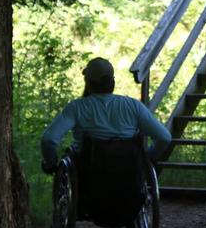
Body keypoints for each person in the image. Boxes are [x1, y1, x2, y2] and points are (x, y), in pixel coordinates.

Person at [41, 56, 171, 173]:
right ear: (112, 82)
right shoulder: (133, 106)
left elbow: (49, 139)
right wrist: (146, 159)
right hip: (128, 172)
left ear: (88, 82)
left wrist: (50, 164)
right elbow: (164, 137)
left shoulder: (77, 107)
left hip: (88, 173)